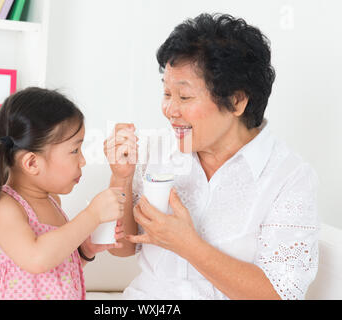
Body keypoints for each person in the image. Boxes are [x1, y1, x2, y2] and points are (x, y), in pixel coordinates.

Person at [106, 13, 319, 300]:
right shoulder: (156, 151)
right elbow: (121, 247)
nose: (170, 109)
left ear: (236, 101)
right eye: (166, 93)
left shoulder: (288, 177)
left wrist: (188, 245)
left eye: (184, 97)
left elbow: (279, 294)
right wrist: (121, 177)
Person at [0, 87, 125, 300]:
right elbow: (37, 259)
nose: (83, 160)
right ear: (32, 163)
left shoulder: (54, 202)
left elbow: (54, 269)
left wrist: (85, 250)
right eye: (74, 150)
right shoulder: (5, 207)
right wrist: (91, 215)